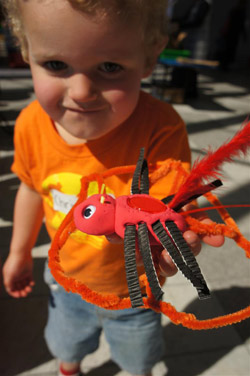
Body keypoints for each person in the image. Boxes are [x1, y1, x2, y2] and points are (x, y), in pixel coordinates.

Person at [2, 1, 224, 375]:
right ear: (26, 52)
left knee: (139, 356)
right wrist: (19, 251)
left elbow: (172, 207)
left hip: (134, 290)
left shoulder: (160, 127)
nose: (82, 91)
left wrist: (175, 239)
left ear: (149, 58)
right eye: (56, 64)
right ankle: (68, 368)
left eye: (110, 67)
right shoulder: (29, 124)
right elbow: (30, 189)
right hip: (65, 282)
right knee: (65, 342)